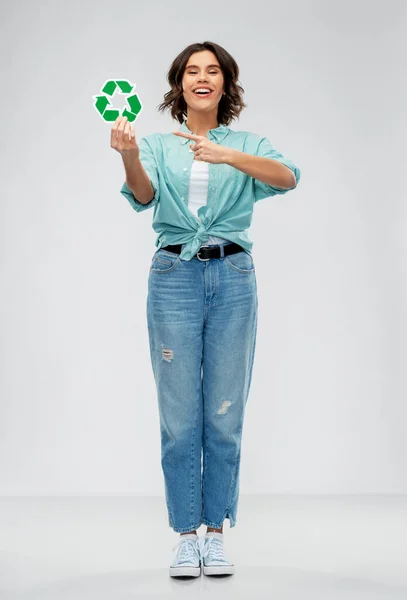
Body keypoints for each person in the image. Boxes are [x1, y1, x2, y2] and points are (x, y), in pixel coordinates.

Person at [111, 41, 301, 578]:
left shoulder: (247, 142)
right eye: (192, 70)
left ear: (225, 84)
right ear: (179, 84)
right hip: (174, 276)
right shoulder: (156, 143)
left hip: (234, 275)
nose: (202, 78)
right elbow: (143, 196)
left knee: (224, 411)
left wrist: (227, 155)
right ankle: (184, 535)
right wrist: (127, 153)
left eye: (212, 70)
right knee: (178, 415)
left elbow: (288, 177)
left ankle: (215, 533)